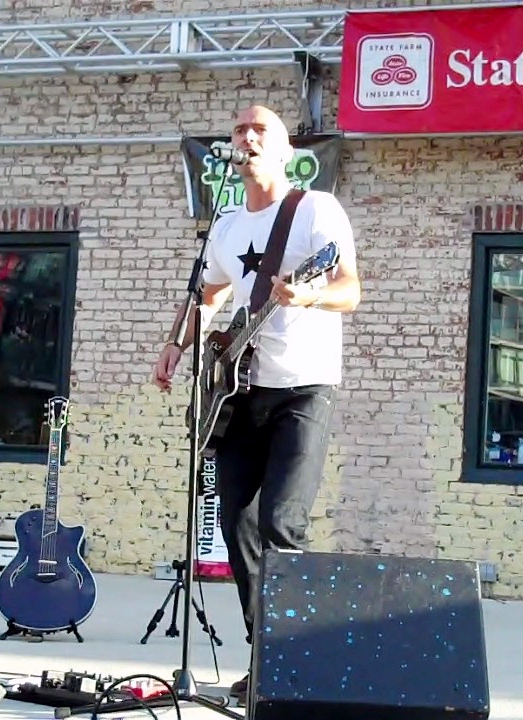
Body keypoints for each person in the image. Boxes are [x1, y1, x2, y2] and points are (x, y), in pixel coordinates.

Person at [151, 104, 361, 698]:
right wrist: (176, 343)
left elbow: (349, 289)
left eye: (259, 129)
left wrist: (307, 297)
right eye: (239, 129)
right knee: (236, 524)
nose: (246, 136)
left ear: (286, 150)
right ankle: (267, 659)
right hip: (240, 390)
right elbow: (208, 293)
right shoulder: (225, 225)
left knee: (281, 523)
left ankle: (298, 664)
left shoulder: (315, 209)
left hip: (305, 387)